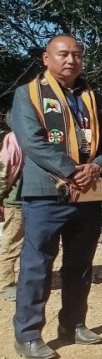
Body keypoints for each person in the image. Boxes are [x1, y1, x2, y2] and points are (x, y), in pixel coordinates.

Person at [10, 35, 102, 359]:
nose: (71, 60)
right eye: (63, 54)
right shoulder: (27, 94)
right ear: (47, 58)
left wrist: (97, 166)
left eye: (77, 54)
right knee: (37, 266)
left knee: (80, 264)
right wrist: (73, 171)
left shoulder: (90, 96)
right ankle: (28, 335)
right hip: (46, 194)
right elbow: (32, 142)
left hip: (87, 196)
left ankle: (73, 323)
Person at [1, 119, 24, 302]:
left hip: (28, 201)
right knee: (12, 242)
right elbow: (3, 171)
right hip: (16, 201)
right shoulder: (13, 139)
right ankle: (5, 284)